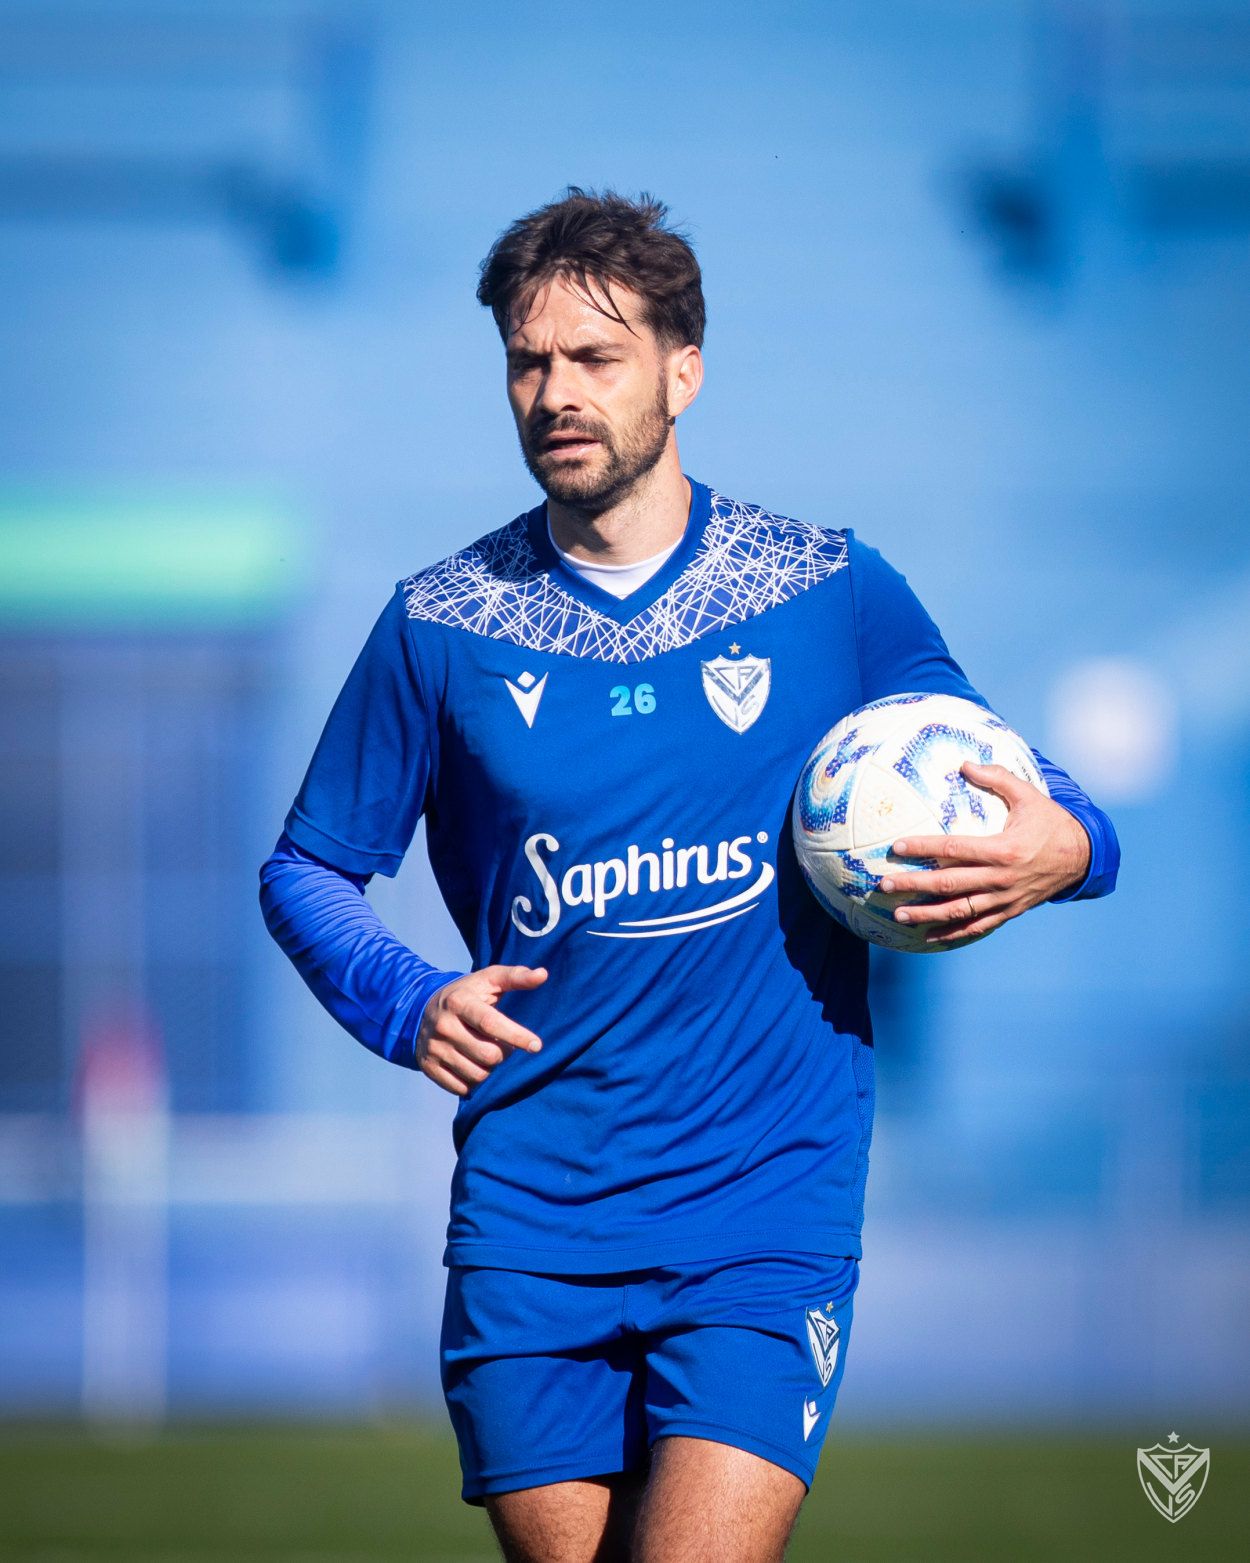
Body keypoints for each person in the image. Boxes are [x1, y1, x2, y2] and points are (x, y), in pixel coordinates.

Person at [259, 187, 1119, 1563]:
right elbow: (308, 869)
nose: (556, 392)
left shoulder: (826, 590)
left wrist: (1074, 846)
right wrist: (408, 1001)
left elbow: (997, 767)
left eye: (594, 358)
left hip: (760, 1209)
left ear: (683, 371)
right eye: (527, 361)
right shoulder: (439, 624)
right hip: (532, 1216)